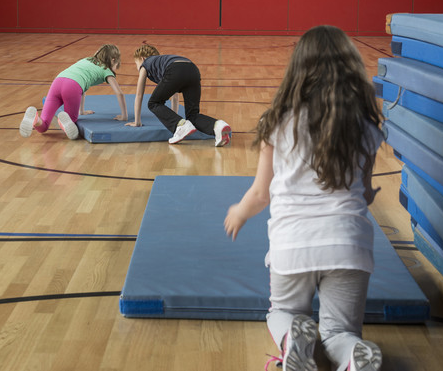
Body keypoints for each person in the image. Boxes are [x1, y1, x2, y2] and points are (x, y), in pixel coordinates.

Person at [223, 26, 384, 371]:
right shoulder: (367, 128)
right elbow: (366, 192)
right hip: (349, 245)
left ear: (298, 69)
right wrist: (367, 194)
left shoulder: (278, 123)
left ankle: (293, 340)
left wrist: (239, 211)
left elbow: (260, 194)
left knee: (283, 312)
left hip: (292, 243)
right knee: (340, 331)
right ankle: (353, 354)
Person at [124, 43, 231, 146]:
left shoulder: (146, 63)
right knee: (193, 115)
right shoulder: (162, 64)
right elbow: (174, 97)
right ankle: (218, 126)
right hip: (193, 69)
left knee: (153, 103)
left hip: (175, 69)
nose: (137, 67)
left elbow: (139, 95)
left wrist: (137, 122)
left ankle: (182, 126)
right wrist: (175, 120)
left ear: (142, 58)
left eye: (136, 63)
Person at [20, 44, 127, 140]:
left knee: (43, 127)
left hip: (57, 81)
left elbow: (83, 88)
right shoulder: (106, 70)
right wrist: (124, 116)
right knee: (72, 121)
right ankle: (64, 120)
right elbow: (119, 93)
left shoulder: (86, 60)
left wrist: (82, 111)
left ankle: (34, 118)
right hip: (72, 87)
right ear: (113, 60)